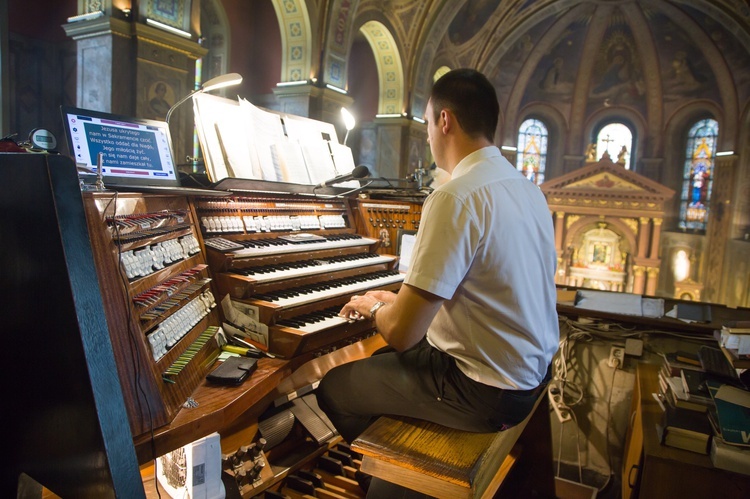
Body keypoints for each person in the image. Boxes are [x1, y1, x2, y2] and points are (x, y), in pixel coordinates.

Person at [316, 68, 560, 444]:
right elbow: (485, 294)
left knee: (334, 387)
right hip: (529, 376)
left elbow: (401, 333)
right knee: (379, 361)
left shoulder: (454, 197)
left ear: (445, 120)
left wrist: (373, 307)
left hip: (485, 392)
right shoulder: (528, 191)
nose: (428, 133)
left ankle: (388, 474)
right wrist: (394, 301)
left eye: (428, 122)